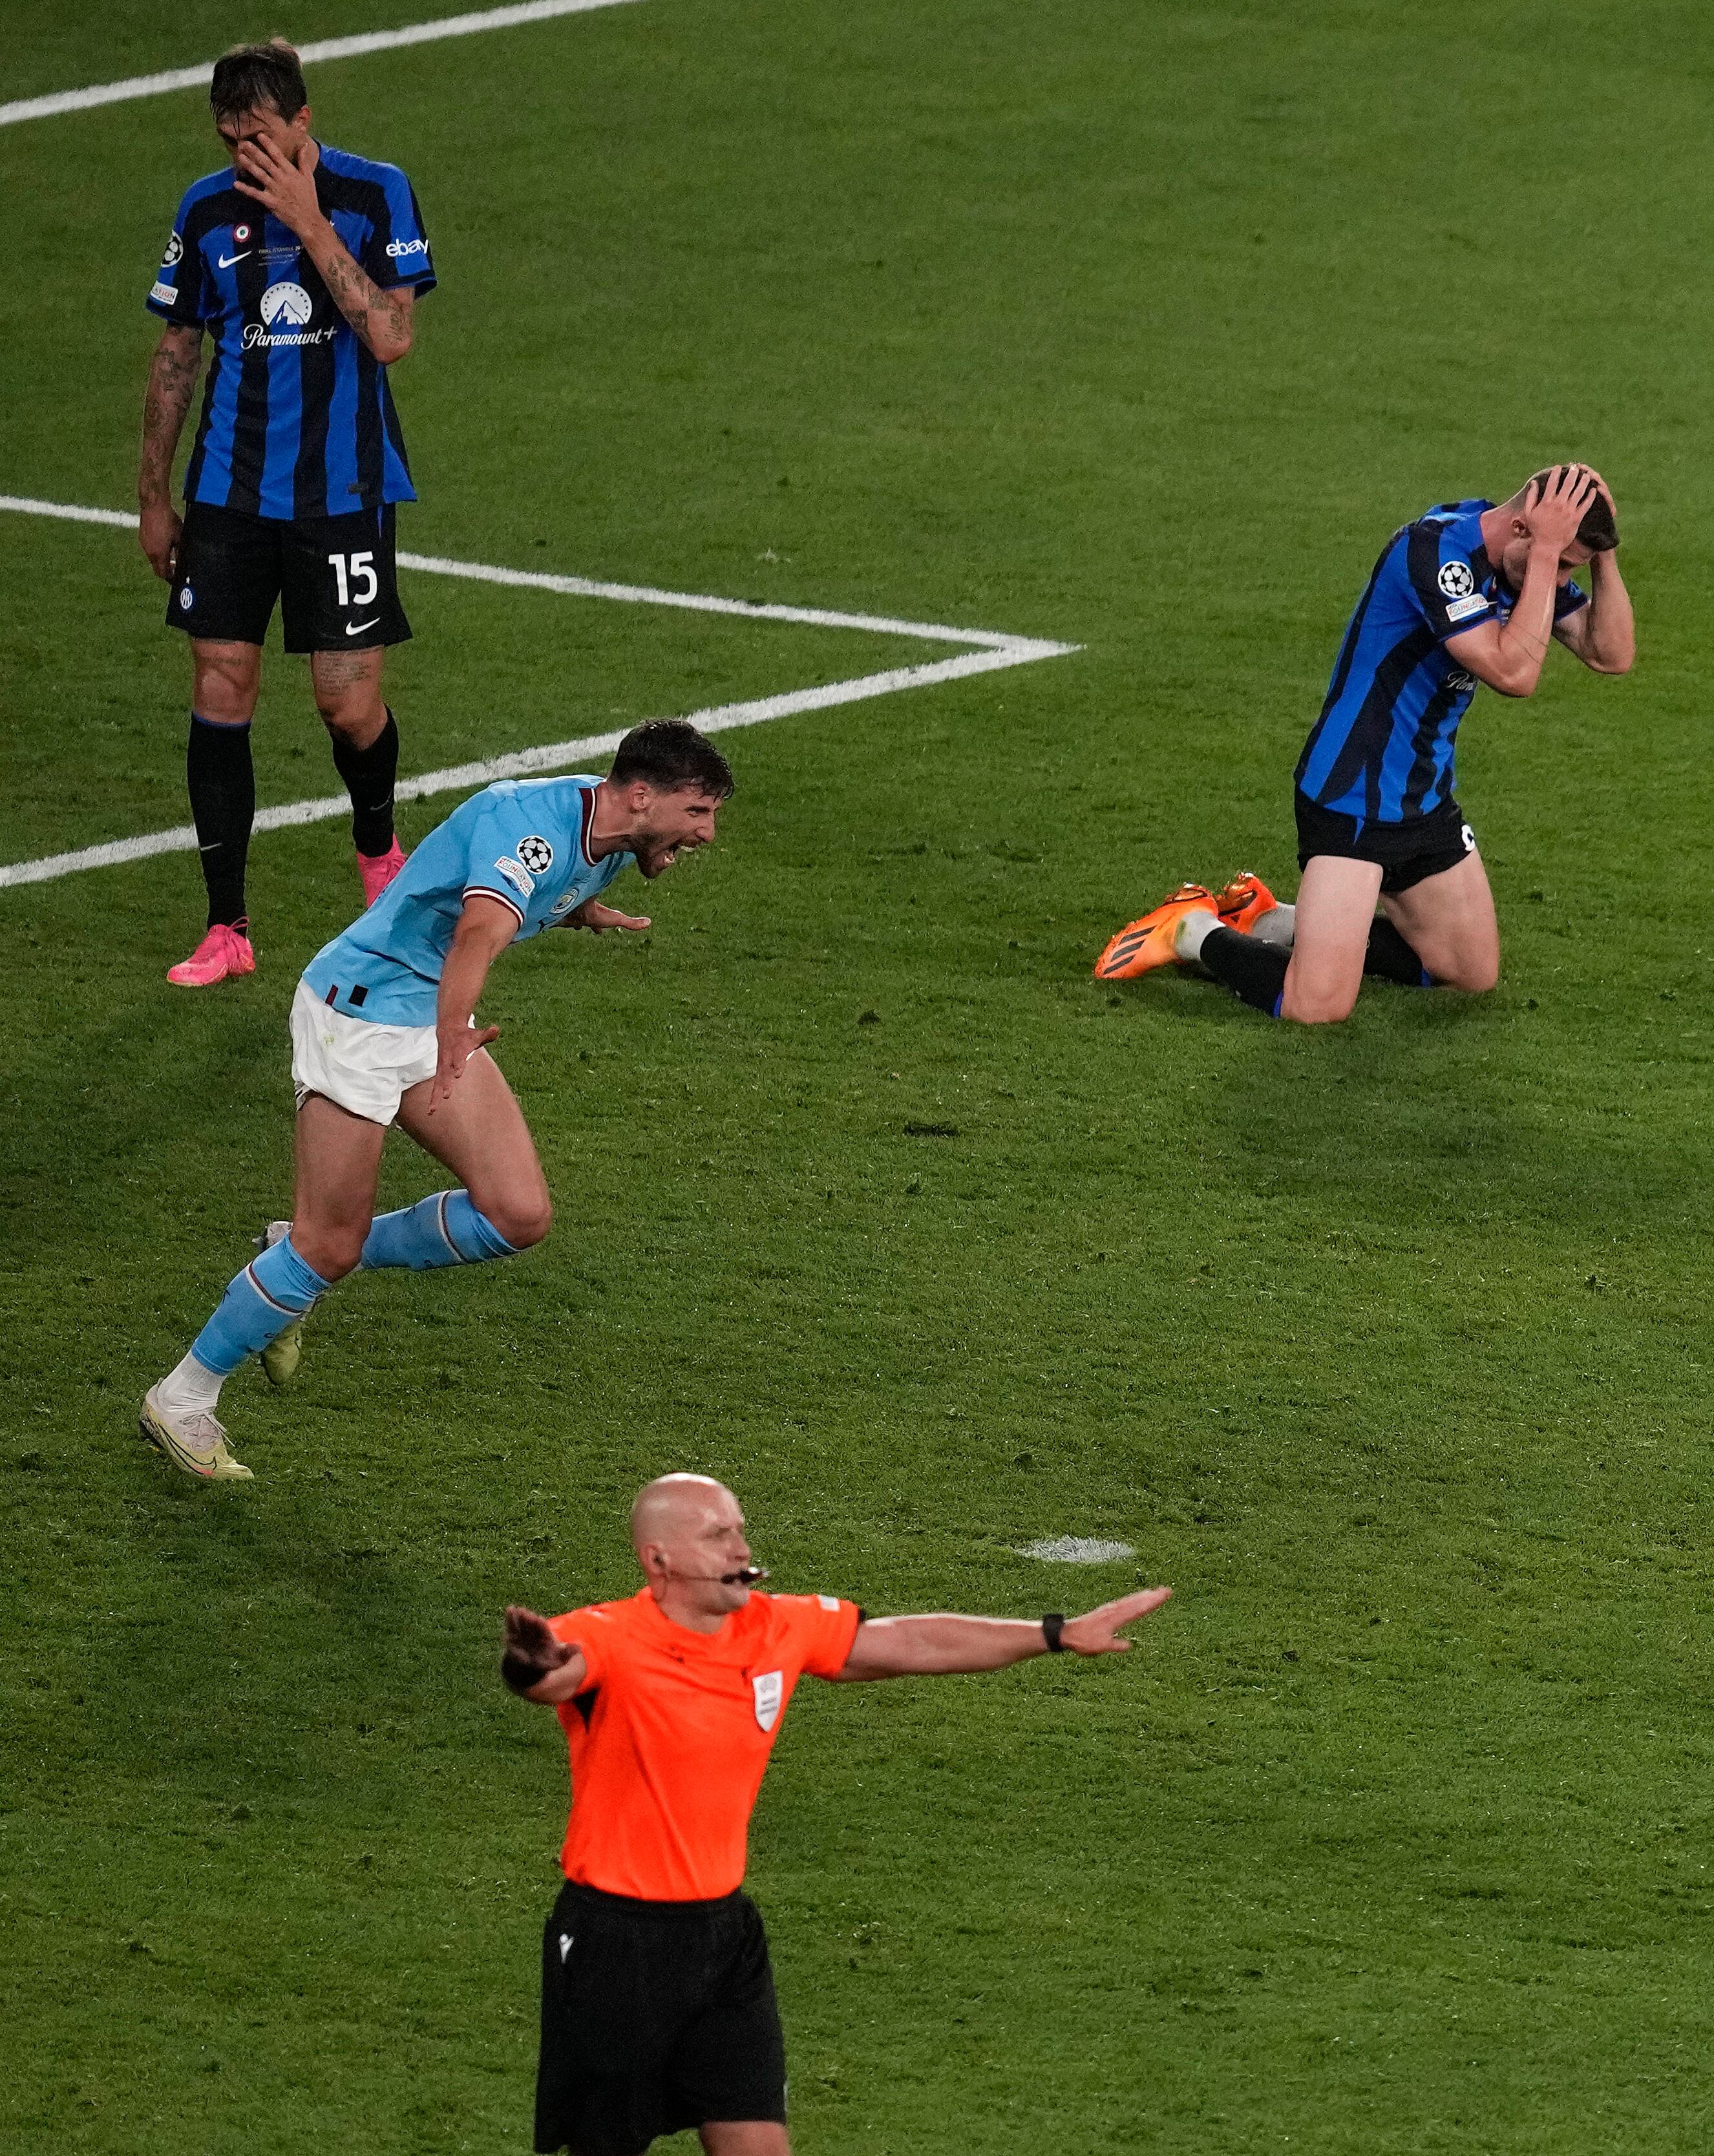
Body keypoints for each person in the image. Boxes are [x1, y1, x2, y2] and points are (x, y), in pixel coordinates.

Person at [501, 1473, 1172, 2156]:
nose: (740, 1546)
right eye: (716, 1535)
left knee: (759, 2144)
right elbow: (555, 1675)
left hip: (724, 1936)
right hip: (618, 1942)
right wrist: (528, 1666)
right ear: (658, 1561)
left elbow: (913, 1643)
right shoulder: (607, 1635)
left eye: (738, 1528)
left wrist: (1054, 1633)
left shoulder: (777, 1627)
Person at [136, 722, 734, 1482]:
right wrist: (452, 1030)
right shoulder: (532, 835)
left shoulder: (610, 834)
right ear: (643, 795)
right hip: (357, 1016)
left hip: (425, 1018)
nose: (706, 833)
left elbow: (503, 898)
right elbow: (476, 936)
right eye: (697, 813)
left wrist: (575, 910)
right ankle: (181, 1398)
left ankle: (291, 1259)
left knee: (516, 1215)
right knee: (329, 1243)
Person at [1094, 464, 1635, 1022]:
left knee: (1470, 973)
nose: (1562, 576)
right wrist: (1549, 554)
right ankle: (1191, 929)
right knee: (1317, 1006)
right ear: (1522, 527)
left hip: (1423, 799)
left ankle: (1267, 919)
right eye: (1564, 561)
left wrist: (1602, 554)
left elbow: (1611, 655)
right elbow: (1513, 674)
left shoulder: (1517, 563)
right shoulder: (1436, 554)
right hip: (1352, 795)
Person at [140, 40, 439, 988]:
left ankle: (378, 847)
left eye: (260, 135)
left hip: (342, 498)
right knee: (220, 688)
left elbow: (391, 337)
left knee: (346, 706)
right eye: (230, 138)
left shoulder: (374, 194)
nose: (244, 155)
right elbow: (177, 356)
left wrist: (311, 225)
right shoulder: (206, 210)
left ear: (303, 122)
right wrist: (153, 497)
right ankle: (227, 925)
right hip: (228, 496)